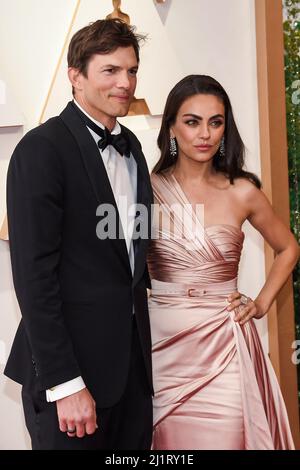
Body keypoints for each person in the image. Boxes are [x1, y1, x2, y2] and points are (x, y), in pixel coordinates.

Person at [4, 19, 153, 450]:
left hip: (132, 378)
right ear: (76, 75)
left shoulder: (134, 150)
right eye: (110, 70)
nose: (125, 82)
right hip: (71, 382)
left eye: (132, 70)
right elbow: (34, 278)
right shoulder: (42, 149)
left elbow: (129, 260)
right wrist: (66, 383)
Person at [148, 74, 299, 450]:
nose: (205, 134)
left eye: (216, 122)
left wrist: (261, 302)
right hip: (162, 349)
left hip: (225, 345)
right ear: (171, 127)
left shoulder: (243, 190)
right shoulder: (144, 189)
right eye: (192, 121)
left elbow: (289, 247)